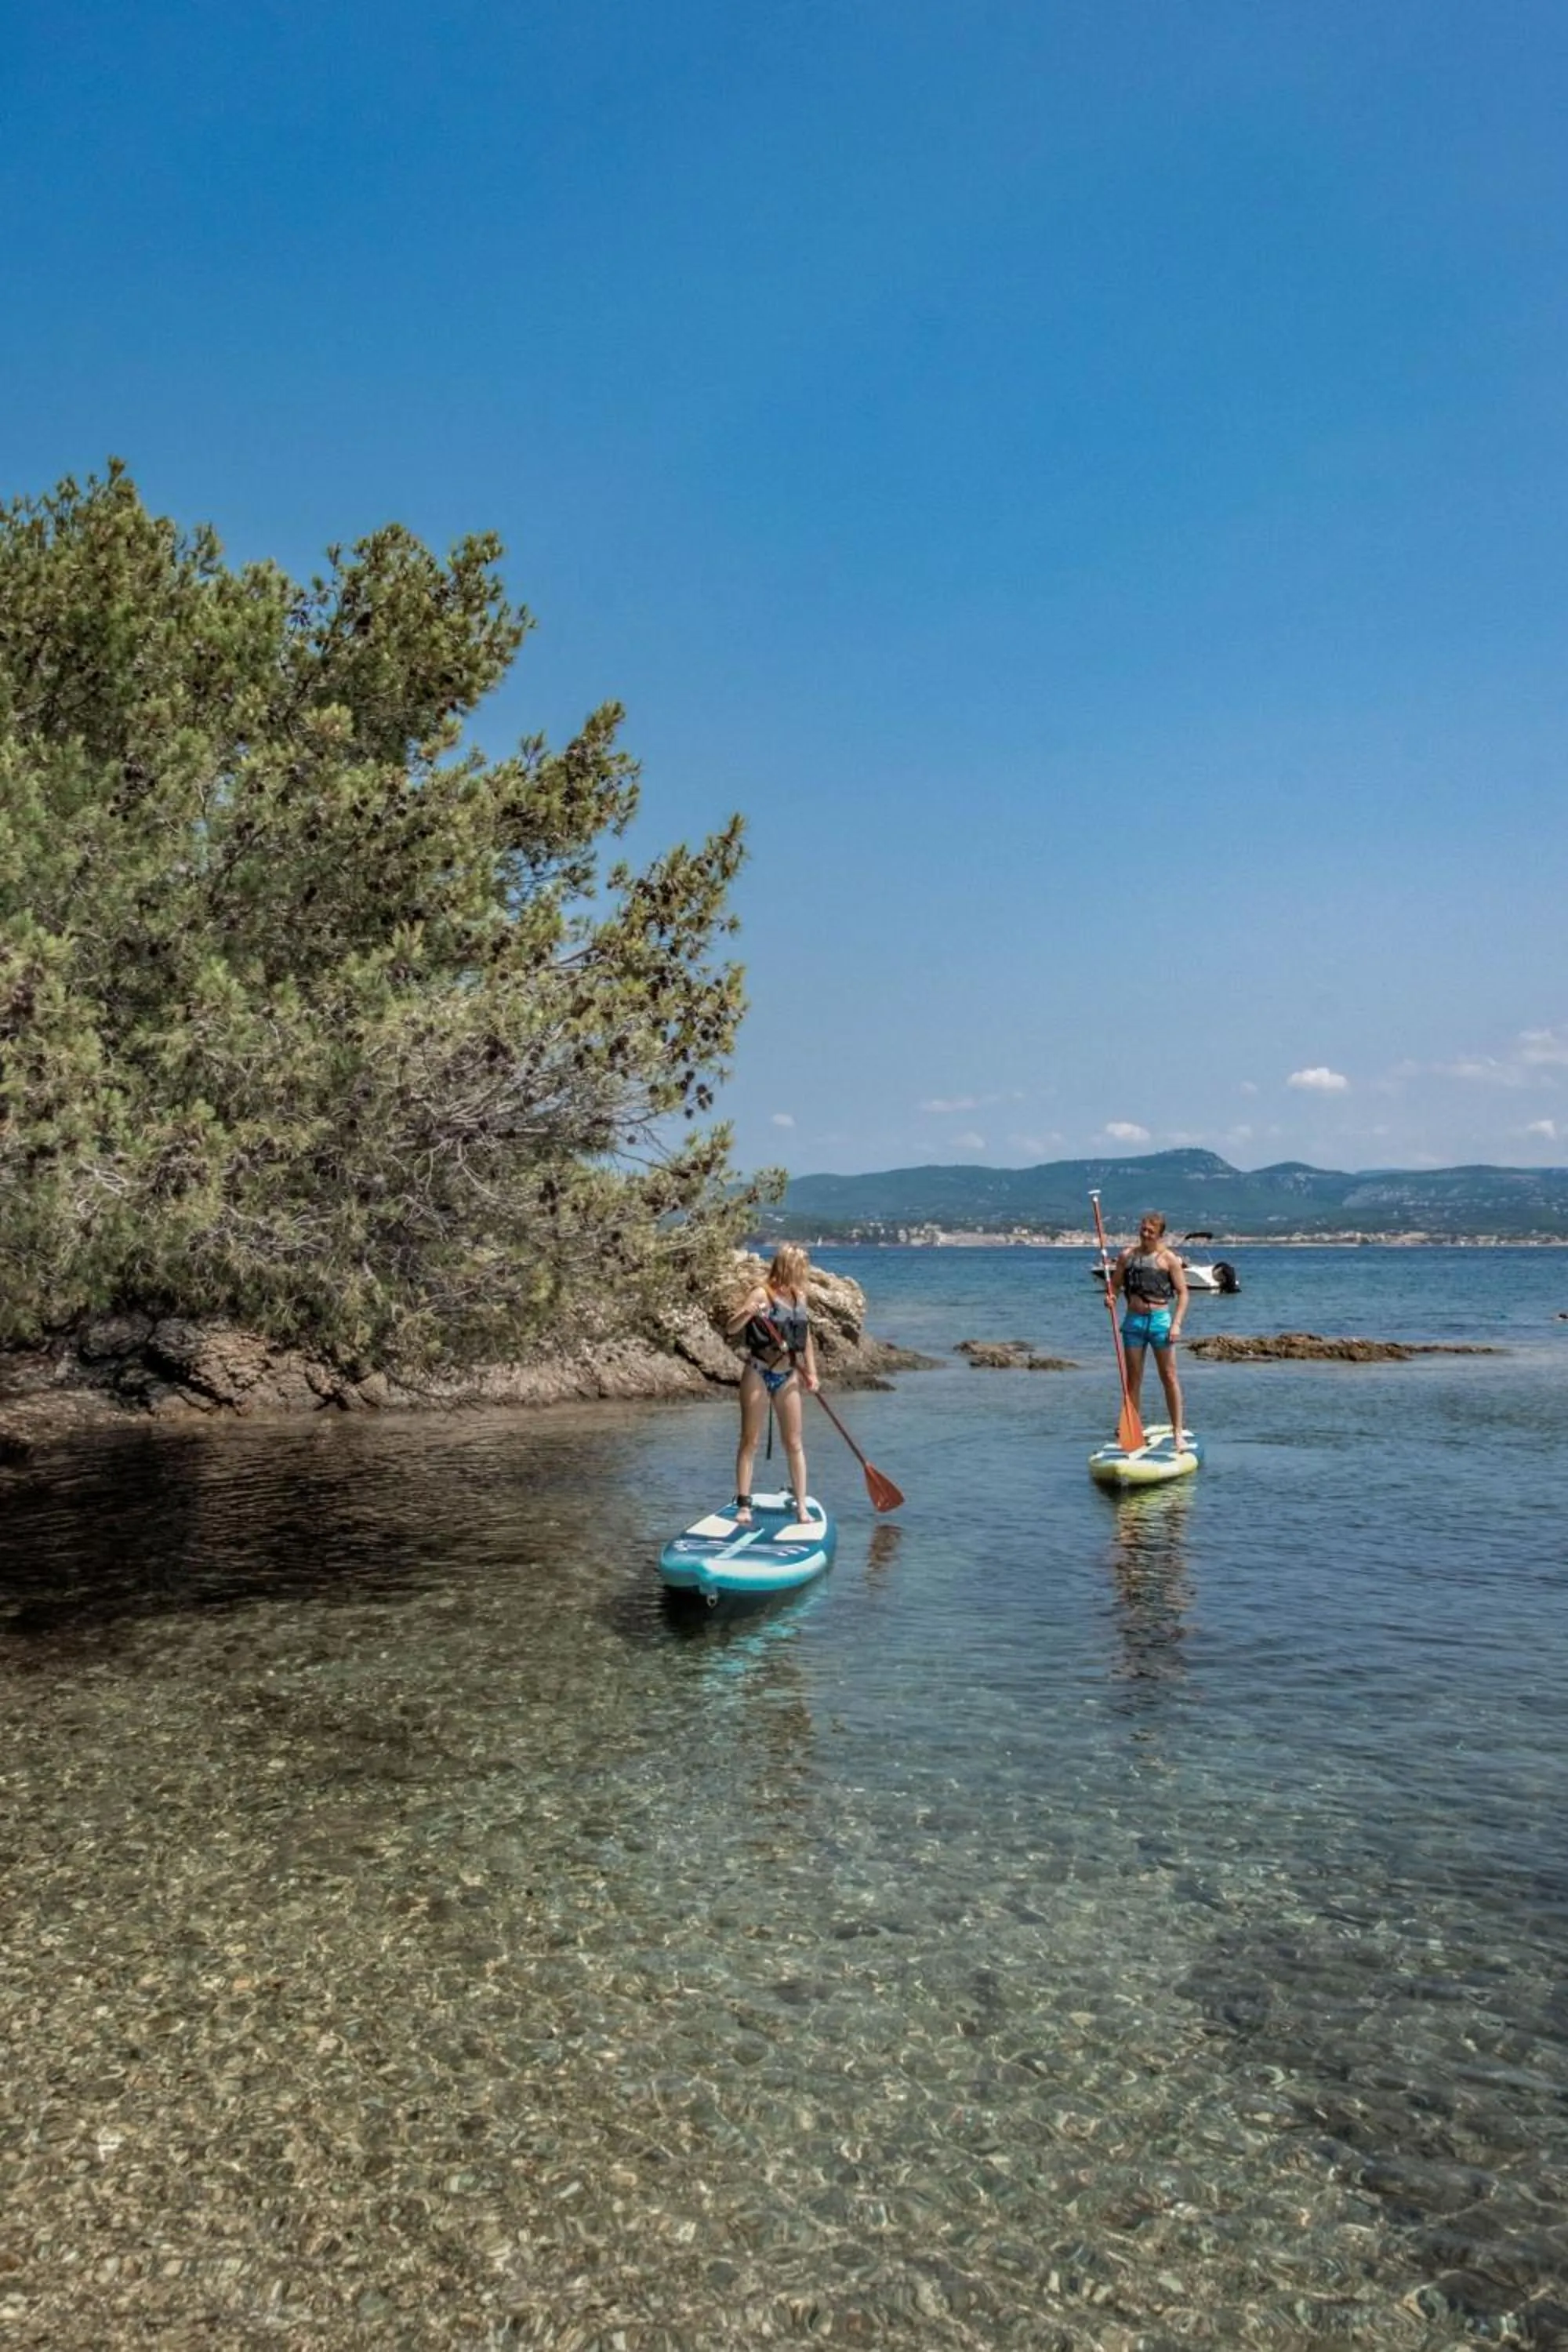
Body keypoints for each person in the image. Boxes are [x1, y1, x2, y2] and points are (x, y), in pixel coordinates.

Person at [725, 1243, 820, 1523]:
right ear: (789, 1267)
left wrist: (812, 1374)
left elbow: (808, 1339)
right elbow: (731, 1327)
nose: (805, 1273)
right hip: (758, 1370)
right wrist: (747, 1312)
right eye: (802, 1267)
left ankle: (801, 1506)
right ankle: (744, 1504)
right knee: (749, 1440)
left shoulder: (800, 1297)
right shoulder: (761, 1293)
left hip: (788, 1374)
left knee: (794, 1442)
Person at [1109, 1211, 1189, 1442]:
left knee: (1169, 1376)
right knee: (1133, 1378)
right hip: (1133, 1321)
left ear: (1160, 1235)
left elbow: (1183, 1293)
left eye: (1150, 1232)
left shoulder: (1169, 1259)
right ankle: (1133, 1429)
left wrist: (1176, 1324)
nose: (1145, 1234)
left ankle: (1177, 1432)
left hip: (1160, 1322)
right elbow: (1115, 1286)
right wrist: (1111, 1298)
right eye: (1142, 1229)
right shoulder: (1127, 1256)